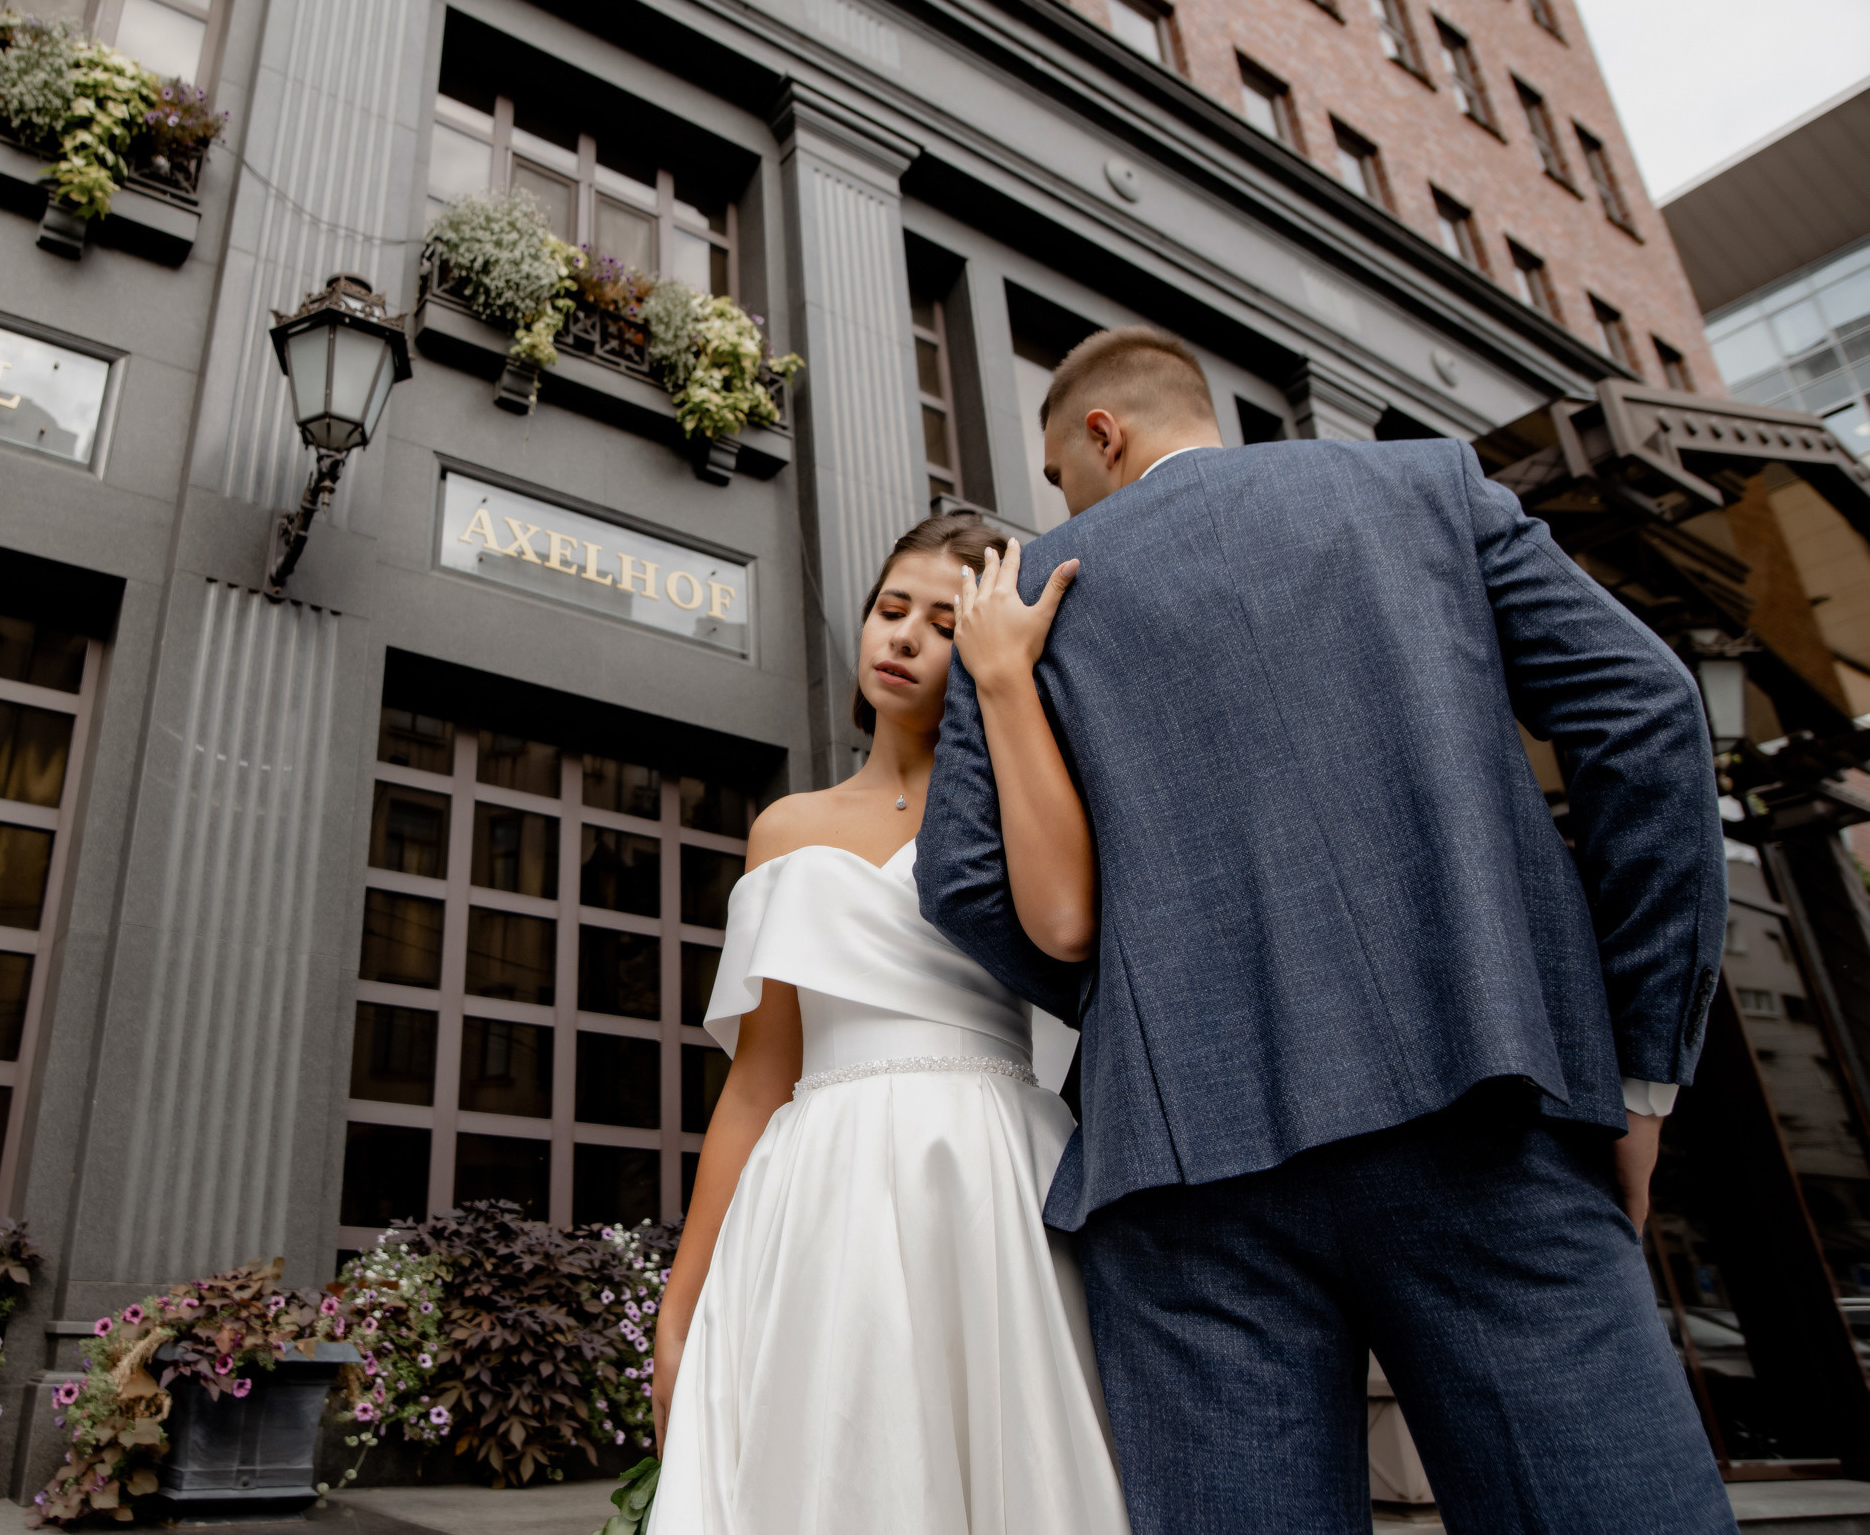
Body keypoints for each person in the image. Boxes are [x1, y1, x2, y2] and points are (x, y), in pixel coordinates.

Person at [916, 326, 1736, 1534]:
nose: (1060, 502)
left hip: (1179, 1166)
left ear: (1102, 434)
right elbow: (1649, 714)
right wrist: (1639, 1068)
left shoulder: (1027, 595)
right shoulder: (1426, 488)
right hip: (1485, 1103)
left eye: (1056, 473)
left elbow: (966, 881)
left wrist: (1139, 1002)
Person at [646, 513, 1130, 1535]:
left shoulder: (1033, 805)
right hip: (818, 1186)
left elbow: (1072, 923)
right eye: (889, 608)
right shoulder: (786, 826)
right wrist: (679, 1309)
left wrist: (1008, 696)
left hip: (991, 1174)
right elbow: (755, 1079)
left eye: (945, 621)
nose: (902, 636)